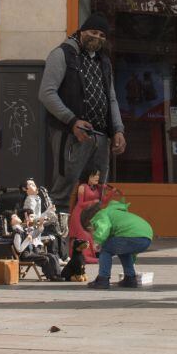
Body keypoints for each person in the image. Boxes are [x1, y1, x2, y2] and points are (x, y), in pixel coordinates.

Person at [39, 14, 127, 208]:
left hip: (100, 137)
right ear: (81, 32)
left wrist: (118, 129)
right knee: (62, 190)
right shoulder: (61, 54)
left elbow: (111, 98)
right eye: (93, 32)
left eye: (102, 35)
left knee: (94, 194)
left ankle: (84, 238)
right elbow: (46, 93)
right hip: (70, 134)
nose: (97, 38)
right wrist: (71, 120)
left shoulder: (104, 62)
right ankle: (57, 237)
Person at [83, 199, 154, 289]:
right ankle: (130, 279)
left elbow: (104, 227)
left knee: (105, 250)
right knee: (123, 251)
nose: (92, 234)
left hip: (131, 235)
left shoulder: (101, 214)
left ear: (90, 223)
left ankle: (103, 279)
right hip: (146, 238)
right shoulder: (115, 213)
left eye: (91, 231)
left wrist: (98, 241)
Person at [68, 167, 119, 265]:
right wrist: (92, 202)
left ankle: (91, 256)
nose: (97, 177)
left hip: (89, 215)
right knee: (84, 236)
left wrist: (111, 193)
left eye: (98, 175)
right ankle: (84, 257)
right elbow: (80, 203)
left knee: (91, 235)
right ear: (88, 176)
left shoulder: (97, 188)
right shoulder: (82, 187)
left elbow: (102, 202)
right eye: (94, 175)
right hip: (79, 215)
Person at [10, 215, 65, 282]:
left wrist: (41, 224)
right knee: (45, 258)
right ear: (11, 221)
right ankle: (52, 276)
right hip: (25, 255)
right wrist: (27, 239)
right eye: (15, 216)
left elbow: (34, 234)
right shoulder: (17, 232)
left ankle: (58, 275)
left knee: (53, 256)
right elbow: (19, 249)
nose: (18, 217)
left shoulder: (21, 229)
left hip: (30, 252)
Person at [20, 178, 61, 258]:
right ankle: (57, 256)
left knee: (56, 231)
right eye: (31, 184)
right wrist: (48, 212)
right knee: (53, 232)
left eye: (34, 183)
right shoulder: (29, 199)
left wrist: (48, 212)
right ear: (24, 189)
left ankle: (60, 256)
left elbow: (37, 216)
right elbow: (32, 218)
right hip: (32, 227)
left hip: (37, 224)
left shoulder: (36, 198)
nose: (34, 185)